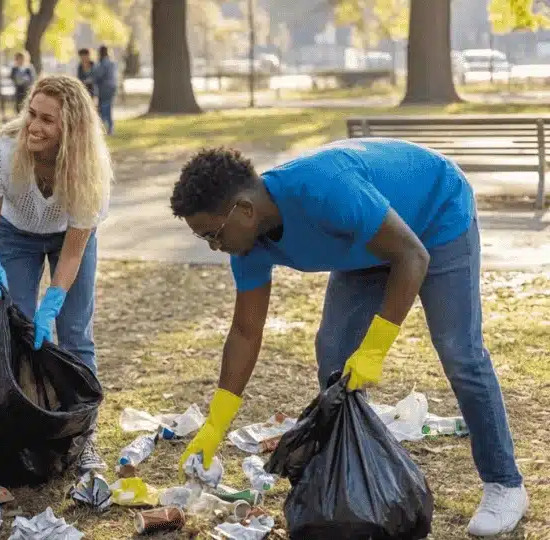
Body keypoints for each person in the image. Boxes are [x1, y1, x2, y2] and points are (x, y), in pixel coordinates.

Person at [170, 139, 528, 537]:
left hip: (434, 216)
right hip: (364, 246)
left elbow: (412, 256)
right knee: (334, 356)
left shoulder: (324, 189)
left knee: (459, 351)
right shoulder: (249, 247)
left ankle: (505, 484)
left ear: (245, 210)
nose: (215, 247)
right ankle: (360, 475)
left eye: (212, 234)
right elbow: (245, 331)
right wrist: (216, 424)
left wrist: (375, 349)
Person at [0, 74, 113, 472]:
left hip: (69, 240)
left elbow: (71, 255)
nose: (34, 126)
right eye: (32, 114)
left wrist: (53, 300)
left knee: (74, 333)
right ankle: (25, 432)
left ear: (70, 128)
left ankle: (82, 437)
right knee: (16, 331)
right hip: (14, 234)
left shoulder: (90, 169)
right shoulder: (1, 151)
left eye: (47, 120)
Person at [92, 45, 117, 135]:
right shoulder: (112, 62)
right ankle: (110, 128)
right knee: (108, 108)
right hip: (111, 87)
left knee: (104, 108)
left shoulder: (103, 63)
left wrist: (93, 77)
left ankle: (103, 128)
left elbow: (99, 75)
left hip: (105, 88)